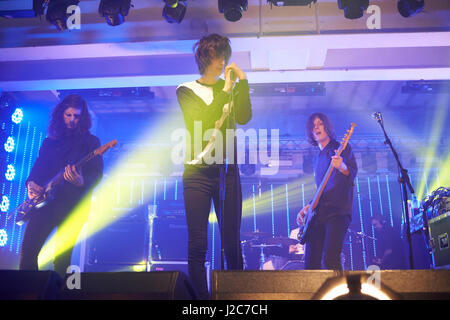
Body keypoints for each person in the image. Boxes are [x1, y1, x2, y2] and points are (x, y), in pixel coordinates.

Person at [176, 34, 252, 299]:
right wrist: (226, 90)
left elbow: (243, 116)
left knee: (232, 241)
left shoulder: (230, 86)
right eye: (218, 56)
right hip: (197, 172)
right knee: (198, 244)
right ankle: (202, 301)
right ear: (205, 57)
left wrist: (243, 82)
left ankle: (235, 298)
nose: (222, 61)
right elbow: (204, 123)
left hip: (226, 172)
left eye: (224, 56)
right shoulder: (186, 90)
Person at [19, 94, 103, 277]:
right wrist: (31, 184)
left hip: (73, 207)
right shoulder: (50, 142)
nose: (72, 120)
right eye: (68, 115)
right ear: (61, 115)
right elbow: (37, 169)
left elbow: (96, 174)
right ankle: (29, 293)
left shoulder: (91, 142)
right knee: (27, 253)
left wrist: (82, 182)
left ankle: (61, 296)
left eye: (77, 116)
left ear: (83, 117)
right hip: (45, 205)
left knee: (62, 260)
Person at [297, 113, 357, 270]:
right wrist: (309, 206)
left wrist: (342, 166)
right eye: (313, 125)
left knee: (330, 259)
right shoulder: (317, 158)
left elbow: (351, 174)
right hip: (319, 213)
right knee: (310, 263)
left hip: (337, 212)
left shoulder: (341, 147)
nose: (316, 127)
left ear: (327, 127)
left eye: (320, 123)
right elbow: (322, 188)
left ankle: (337, 293)